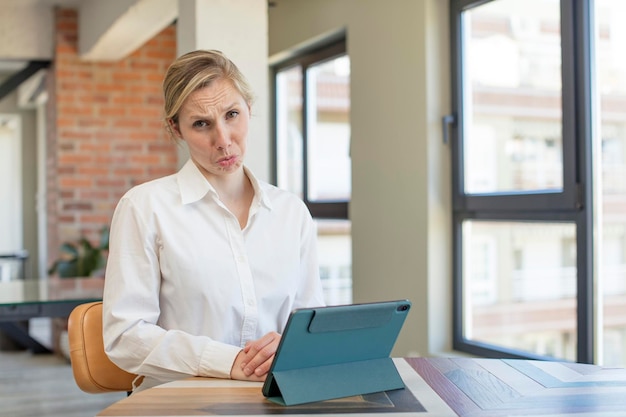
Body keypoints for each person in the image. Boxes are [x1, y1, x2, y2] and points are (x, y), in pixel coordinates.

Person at [102, 49, 325, 392]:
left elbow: (311, 325)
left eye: (232, 114)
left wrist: (292, 348)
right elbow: (126, 335)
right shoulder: (144, 207)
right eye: (201, 124)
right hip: (182, 403)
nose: (223, 140)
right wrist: (229, 362)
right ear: (176, 129)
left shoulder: (291, 213)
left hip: (275, 399)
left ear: (250, 109)